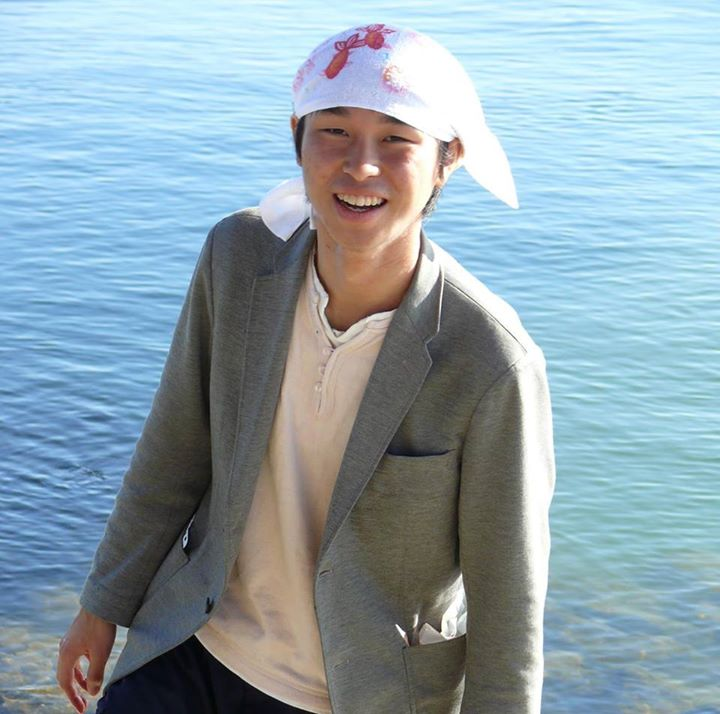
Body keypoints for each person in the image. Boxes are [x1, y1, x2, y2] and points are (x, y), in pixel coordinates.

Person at [56, 23, 555, 714]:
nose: (361, 166)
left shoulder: (491, 359)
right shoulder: (238, 257)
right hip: (193, 647)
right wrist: (102, 605)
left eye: (397, 140)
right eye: (335, 132)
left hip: (354, 695)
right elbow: (174, 448)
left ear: (448, 161)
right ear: (297, 135)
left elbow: (508, 602)